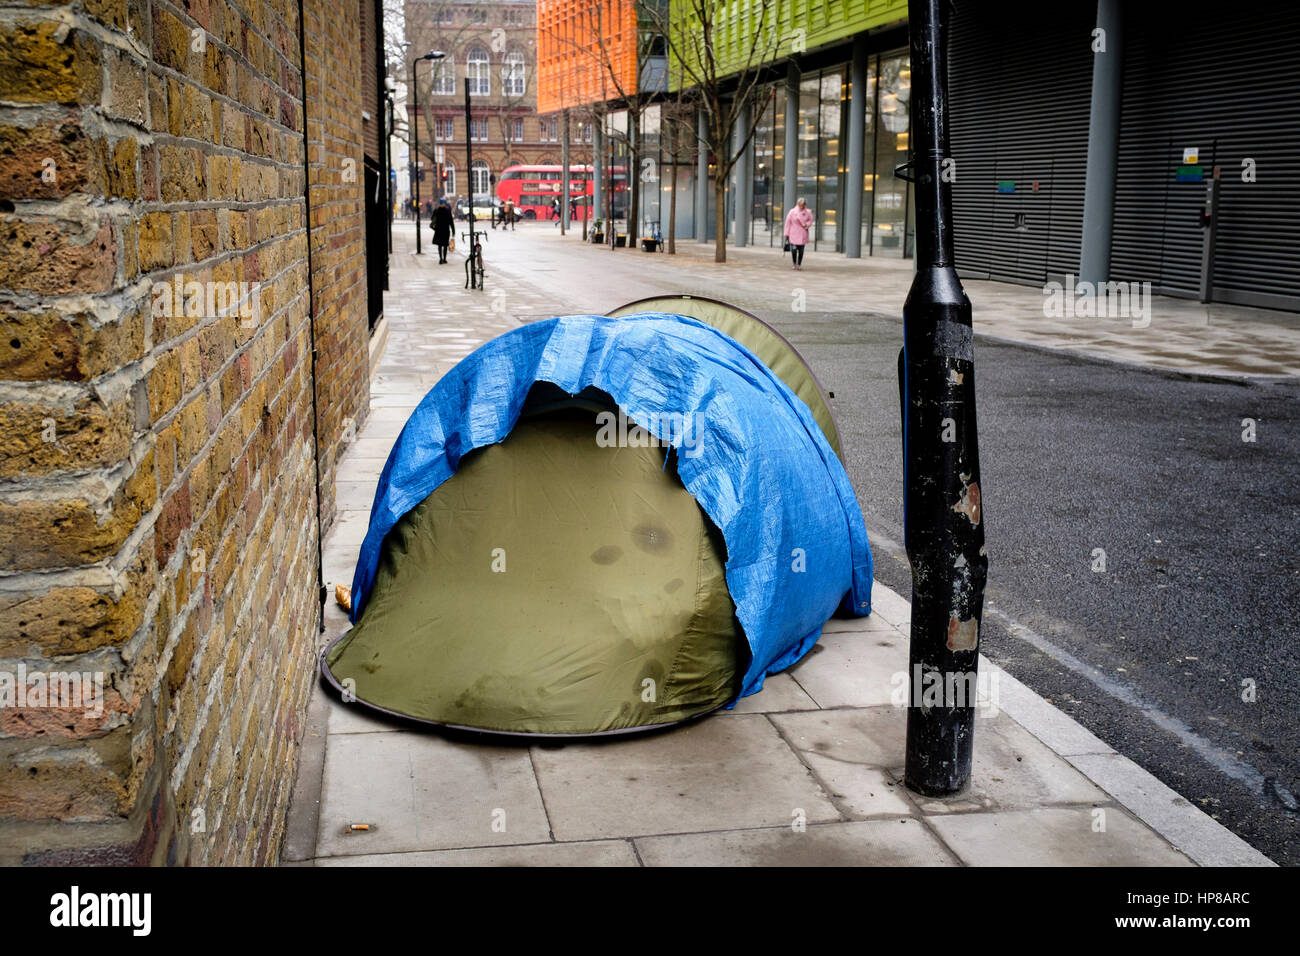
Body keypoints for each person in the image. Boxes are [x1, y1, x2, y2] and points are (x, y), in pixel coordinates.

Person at [783, 197, 814, 270]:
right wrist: (786, 234)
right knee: (793, 250)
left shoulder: (807, 212)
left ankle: (799, 264)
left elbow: (810, 221)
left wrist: (806, 224)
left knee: (801, 250)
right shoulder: (792, 211)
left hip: (803, 233)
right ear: (798, 204)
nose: (801, 206)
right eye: (800, 205)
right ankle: (794, 263)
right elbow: (788, 223)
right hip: (793, 233)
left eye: (803, 205)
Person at [431, 197, 455, 264]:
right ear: (445, 204)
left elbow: (432, 219)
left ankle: (440, 259)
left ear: (440, 203)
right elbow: (451, 222)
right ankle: (444, 259)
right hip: (446, 230)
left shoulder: (436, 210)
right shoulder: (448, 211)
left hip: (438, 230)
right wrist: (453, 231)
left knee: (439, 245)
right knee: (445, 245)